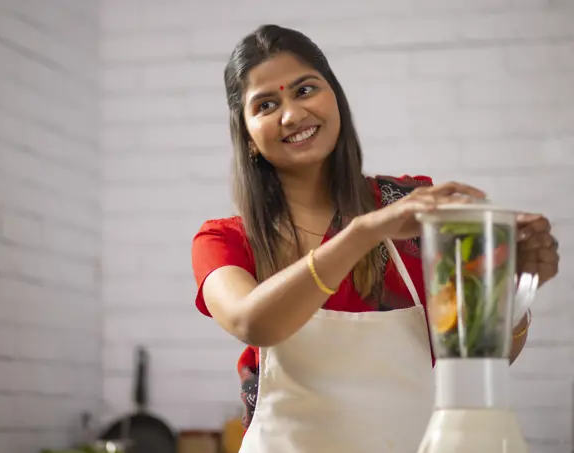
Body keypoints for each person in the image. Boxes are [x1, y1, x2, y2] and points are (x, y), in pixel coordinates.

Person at [190, 24, 560, 453]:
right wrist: (366, 230)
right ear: (248, 134)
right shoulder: (227, 239)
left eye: (305, 90)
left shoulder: (410, 208)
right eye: (266, 104)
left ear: (335, 98)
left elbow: (477, 354)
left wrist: (511, 293)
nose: (291, 115)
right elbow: (252, 322)